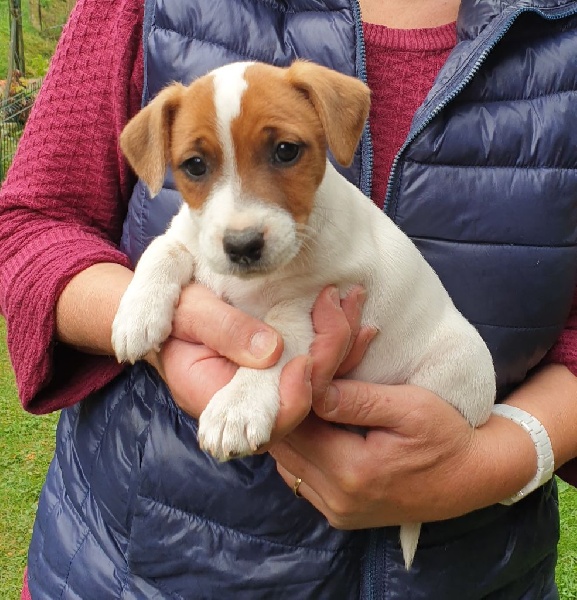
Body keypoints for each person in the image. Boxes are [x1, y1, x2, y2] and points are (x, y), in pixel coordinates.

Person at [1, 0, 577, 597]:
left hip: (469, 559)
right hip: (148, 568)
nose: (241, 220)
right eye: (195, 167)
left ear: (333, 123)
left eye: (284, 153)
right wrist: (159, 320)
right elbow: (36, 223)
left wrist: (493, 462)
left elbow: (311, 304)